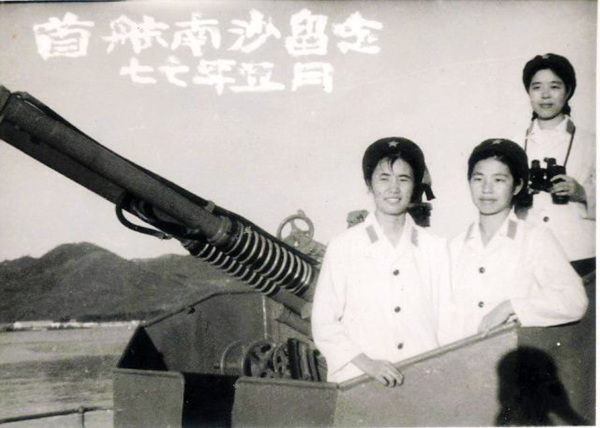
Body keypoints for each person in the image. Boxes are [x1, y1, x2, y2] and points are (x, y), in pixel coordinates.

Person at [311, 137, 447, 386]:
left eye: (403, 179)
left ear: (414, 185)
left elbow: (448, 322)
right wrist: (368, 364)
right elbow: (323, 322)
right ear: (369, 184)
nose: (394, 188)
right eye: (384, 178)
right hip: (359, 382)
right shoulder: (344, 246)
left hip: (423, 382)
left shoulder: (435, 248)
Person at [439, 139, 588, 344]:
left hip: (515, 357)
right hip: (465, 359)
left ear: (517, 186)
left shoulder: (534, 238)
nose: (487, 189)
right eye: (478, 179)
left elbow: (574, 300)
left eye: (499, 180)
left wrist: (510, 306)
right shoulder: (454, 247)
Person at [516, 53, 595, 275]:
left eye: (554, 86)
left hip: (578, 256)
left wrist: (582, 193)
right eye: (537, 87)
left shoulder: (591, 143)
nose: (545, 95)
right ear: (528, 92)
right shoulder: (515, 144)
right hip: (529, 256)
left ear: (568, 91)